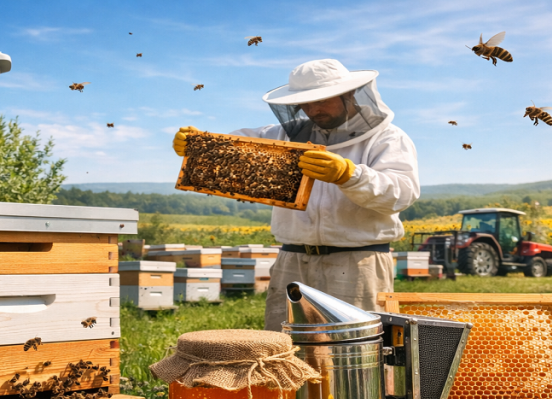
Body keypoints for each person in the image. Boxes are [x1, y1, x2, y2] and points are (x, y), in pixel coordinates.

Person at [172, 59, 419, 327]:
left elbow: (402, 193)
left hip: (357, 262)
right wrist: (199, 145)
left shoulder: (387, 138)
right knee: (285, 353)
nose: (312, 109)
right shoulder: (284, 134)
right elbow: (236, 146)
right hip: (292, 261)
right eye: (305, 102)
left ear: (348, 94)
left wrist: (350, 176)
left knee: (351, 356)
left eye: (321, 100)